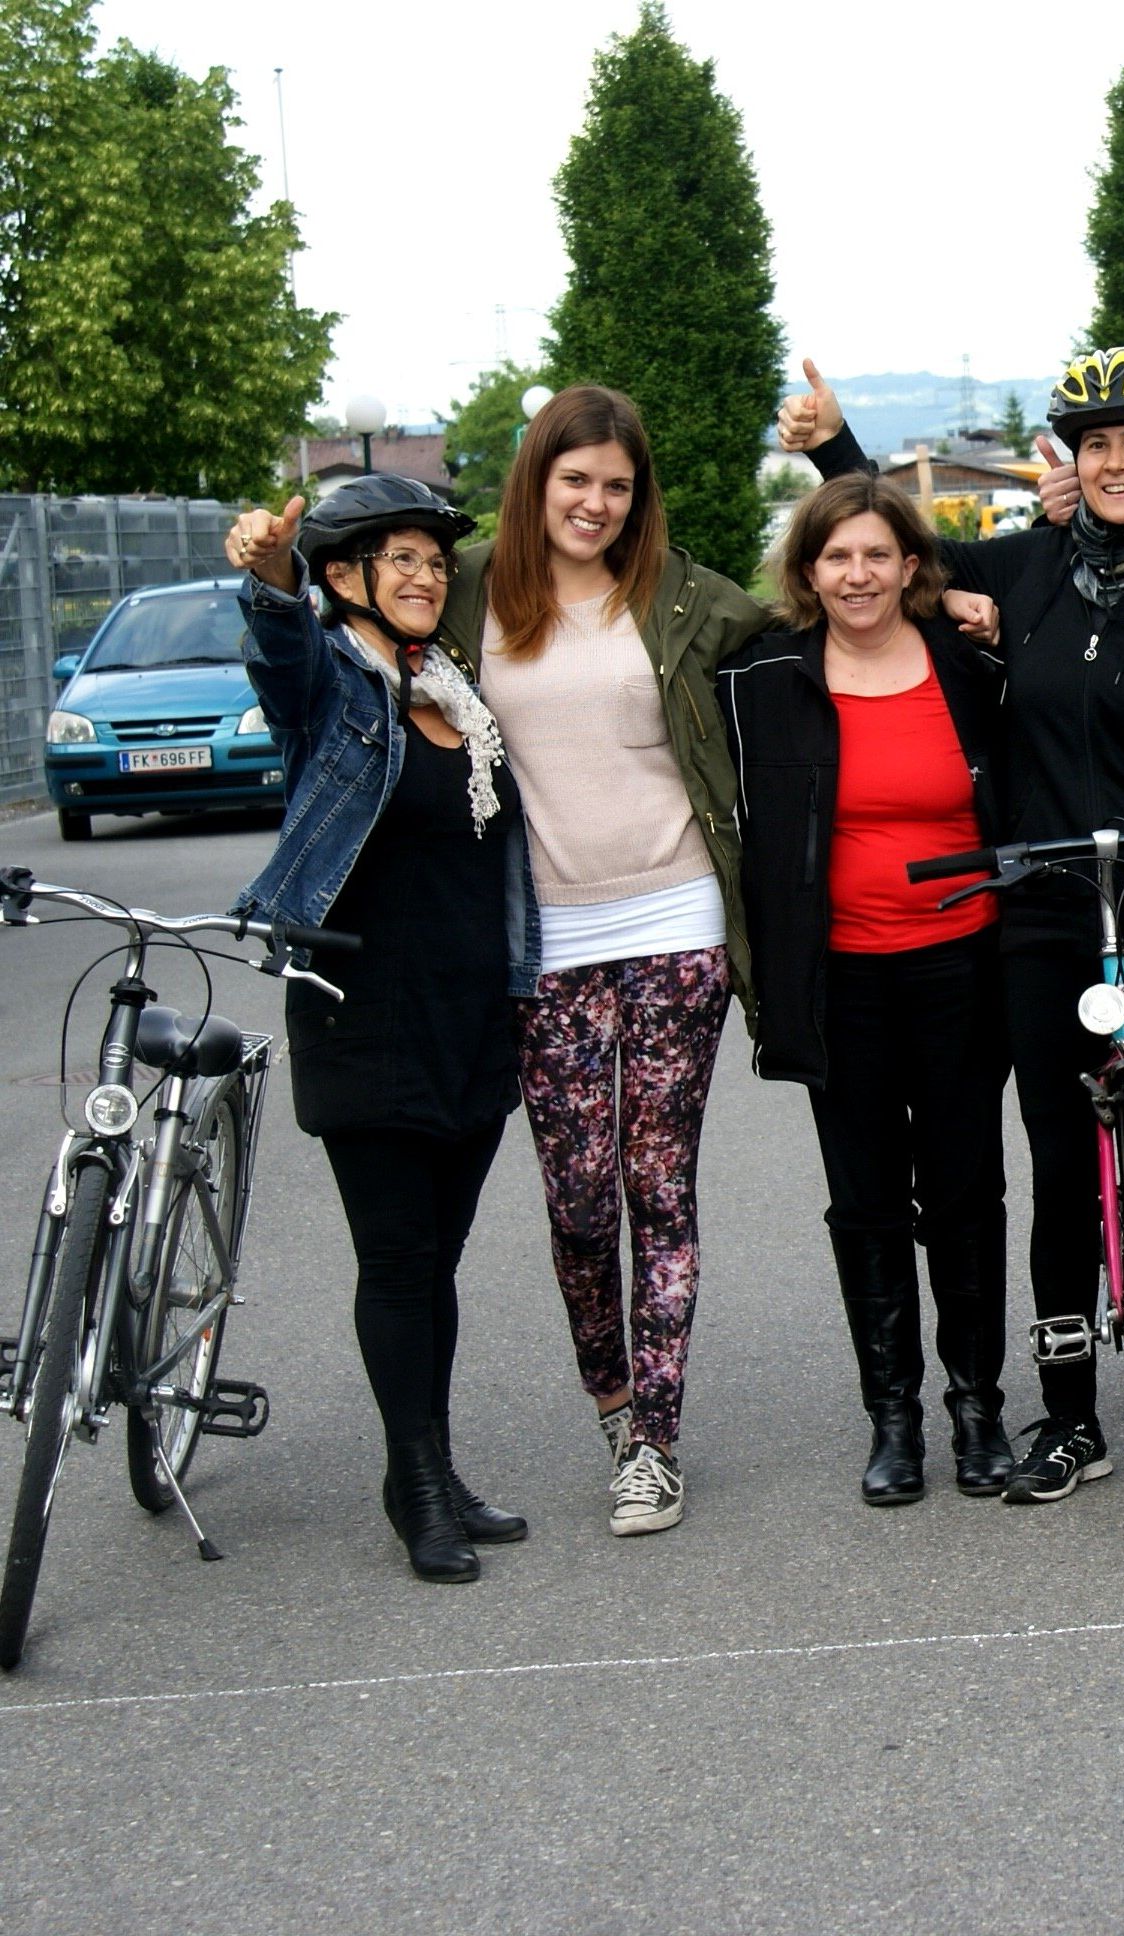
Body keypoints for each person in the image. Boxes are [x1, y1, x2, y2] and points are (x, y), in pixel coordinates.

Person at [787, 346, 1124, 1501]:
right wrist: (833, 443)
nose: (1115, 462)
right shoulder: (1026, 572)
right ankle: (1070, 1416)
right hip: (1046, 913)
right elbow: (887, 555)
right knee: (1061, 1163)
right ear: (1071, 458)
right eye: (1095, 443)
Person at [435, 386, 773, 1537]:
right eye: (576, 479)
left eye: (617, 485)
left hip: (676, 917)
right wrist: (277, 581)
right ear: (536, 480)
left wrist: (953, 598)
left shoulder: (675, 593)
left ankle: (657, 1445)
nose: (596, 502)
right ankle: (612, 1402)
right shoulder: (473, 584)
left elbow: (815, 613)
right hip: (547, 935)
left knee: (656, 1183)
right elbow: (358, 626)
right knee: (577, 1196)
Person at [227, 477, 534, 1582]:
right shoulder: (337, 688)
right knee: (398, 1260)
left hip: (470, 1010)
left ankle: (432, 1463)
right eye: (397, 558)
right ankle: (413, 1486)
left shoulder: (456, 691)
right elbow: (282, 664)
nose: (423, 576)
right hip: (364, 1013)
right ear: (344, 575)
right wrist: (269, 589)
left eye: (433, 561)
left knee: (437, 1262)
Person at [717, 474, 1012, 1505]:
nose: (858, 574)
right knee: (868, 1201)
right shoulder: (763, 678)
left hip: (963, 968)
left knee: (968, 1193)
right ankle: (893, 1417)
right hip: (837, 976)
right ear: (807, 571)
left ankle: (978, 1407)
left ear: (913, 566)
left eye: (877, 555)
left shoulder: (969, 669)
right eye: (836, 557)